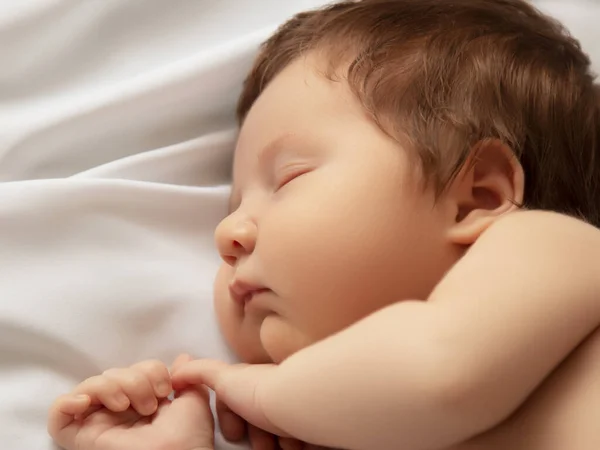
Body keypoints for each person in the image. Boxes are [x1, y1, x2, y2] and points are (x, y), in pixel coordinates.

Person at [48, 0, 600, 449]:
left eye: (288, 178)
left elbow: (438, 376)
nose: (228, 235)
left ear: (478, 195)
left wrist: (261, 392)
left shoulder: (554, 248)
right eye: (233, 206)